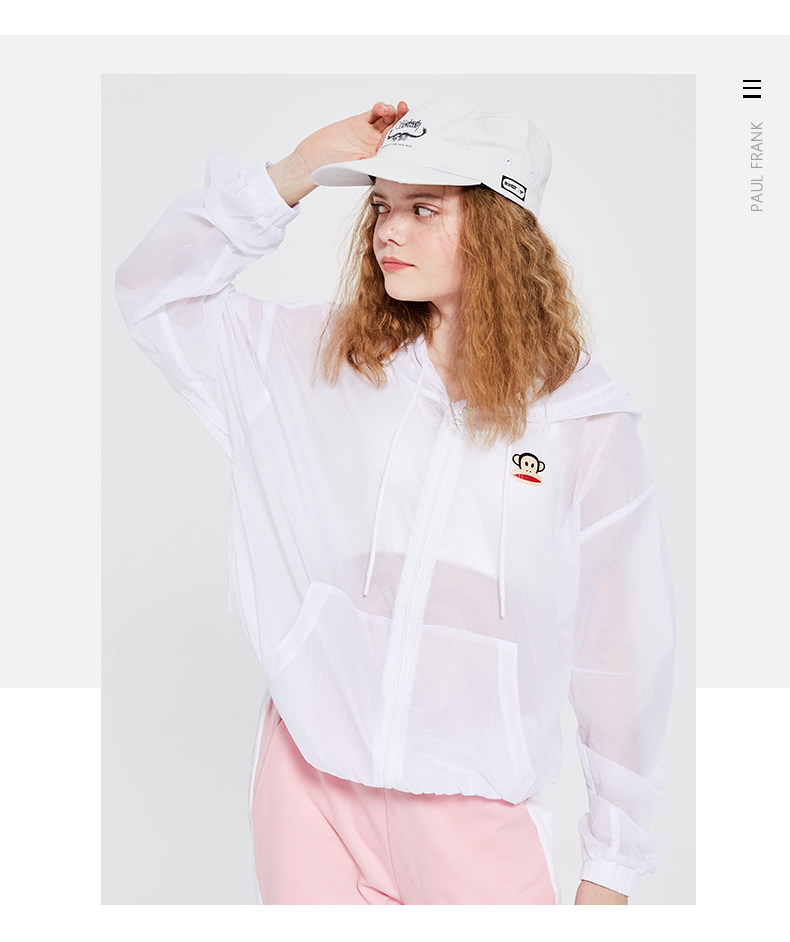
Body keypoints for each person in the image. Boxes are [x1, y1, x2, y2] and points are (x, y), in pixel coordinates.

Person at [115, 98, 675, 905]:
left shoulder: (578, 418)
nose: (388, 232)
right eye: (381, 205)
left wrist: (611, 866)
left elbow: (620, 645)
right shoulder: (330, 361)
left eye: (424, 208)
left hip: (469, 810)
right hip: (309, 785)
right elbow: (156, 294)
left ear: (497, 224)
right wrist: (297, 170)